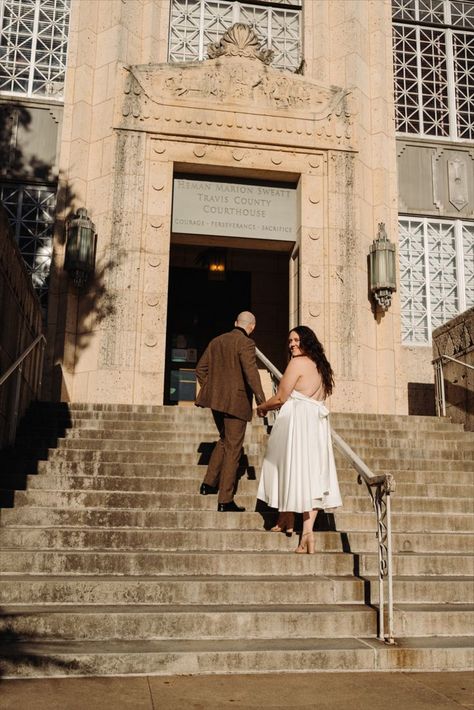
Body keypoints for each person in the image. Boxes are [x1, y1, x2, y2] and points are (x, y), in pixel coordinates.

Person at [256, 326, 342, 552]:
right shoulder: (321, 366)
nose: (292, 344)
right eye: (290, 341)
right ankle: (304, 531)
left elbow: (281, 397)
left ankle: (289, 518)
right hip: (315, 423)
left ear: (307, 341)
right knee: (311, 476)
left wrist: (262, 407)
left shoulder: (297, 363)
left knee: (285, 467)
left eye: (296, 340)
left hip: (298, 421)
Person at [195, 311, 265, 512]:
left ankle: (208, 484)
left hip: (217, 402)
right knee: (234, 449)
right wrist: (262, 400)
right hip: (236, 403)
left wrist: (212, 389)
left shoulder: (216, 341)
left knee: (225, 441)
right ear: (252, 327)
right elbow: (251, 373)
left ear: (236, 323)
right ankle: (225, 499)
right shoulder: (246, 343)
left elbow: (200, 369)